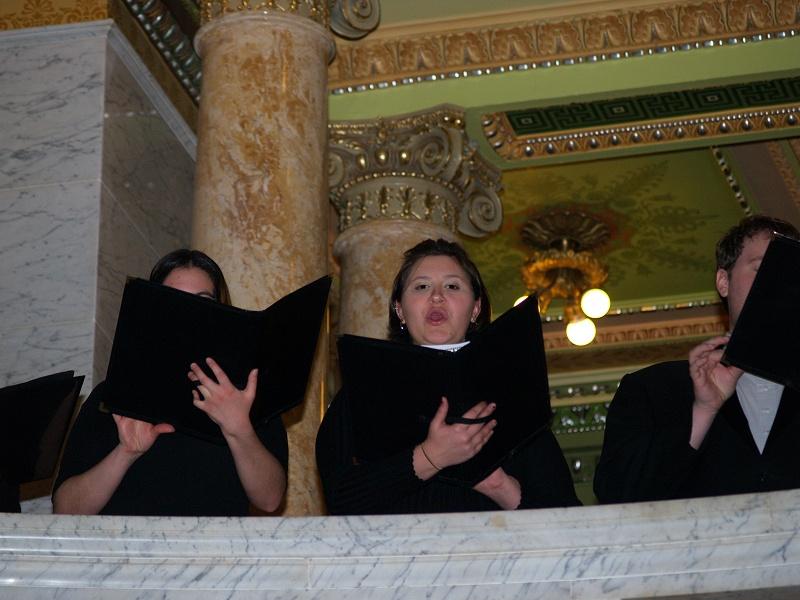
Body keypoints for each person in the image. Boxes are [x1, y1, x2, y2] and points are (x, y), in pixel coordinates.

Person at [316, 238, 580, 514]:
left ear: (475, 308)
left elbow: (568, 519)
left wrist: (497, 484)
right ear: (400, 309)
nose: (437, 296)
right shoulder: (364, 391)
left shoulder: (513, 394)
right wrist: (431, 456)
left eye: (452, 286)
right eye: (421, 286)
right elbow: (340, 498)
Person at [53, 250, 288, 516]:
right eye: (175, 300)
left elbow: (270, 499)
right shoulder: (115, 394)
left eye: (203, 301)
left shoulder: (246, 395)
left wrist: (239, 429)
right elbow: (66, 510)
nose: (190, 313)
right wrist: (126, 452)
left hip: (216, 544)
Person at [594, 215, 800, 504]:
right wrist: (703, 410)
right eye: (761, 267)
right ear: (724, 281)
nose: (777, 282)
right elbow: (618, 495)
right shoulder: (653, 389)